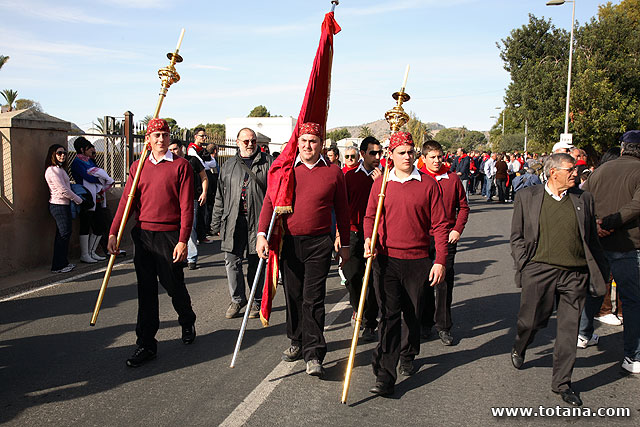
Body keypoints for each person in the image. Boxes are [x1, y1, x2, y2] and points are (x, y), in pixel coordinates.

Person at [510, 153, 609, 406]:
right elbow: (517, 236)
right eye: (570, 170)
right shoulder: (527, 197)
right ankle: (520, 345)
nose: (576, 173)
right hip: (539, 271)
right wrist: (524, 265)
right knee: (531, 321)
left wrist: (601, 270)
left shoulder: (584, 198)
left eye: (575, 169)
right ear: (553, 172)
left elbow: (591, 239)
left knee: (568, 330)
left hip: (575, 275)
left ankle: (562, 383)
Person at [257, 122, 350, 378]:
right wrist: (262, 234)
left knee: (314, 298)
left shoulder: (333, 172)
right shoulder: (286, 170)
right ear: (297, 143)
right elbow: (270, 202)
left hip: (319, 243)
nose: (308, 146)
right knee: (294, 295)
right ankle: (297, 340)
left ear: (321, 144)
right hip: (289, 243)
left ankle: (314, 353)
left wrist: (344, 245)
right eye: (304, 141)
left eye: (313, 141)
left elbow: (342, 210)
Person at [363, 132, 448, 396]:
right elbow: (370, 217)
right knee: (389, 316)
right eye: (401, 152)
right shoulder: (381, 185)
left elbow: (440, 225)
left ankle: (408, 352)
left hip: (418, 261)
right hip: (386, 260)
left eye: (411, 152)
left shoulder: (428, 185)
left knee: (412, 314)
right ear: (391, 155)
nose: (407, 157)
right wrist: (369, 239)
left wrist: (440, 260)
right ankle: (384, 374)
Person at [107, 118, 197, 367]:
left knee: (173, 285)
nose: (161, 139)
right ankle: (146, 344)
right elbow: (126, 203)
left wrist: (183, 240)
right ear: (147, 139)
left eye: (164, 135)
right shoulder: (138, 167)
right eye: (156, 135)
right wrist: (114, 232)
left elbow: (186, 206)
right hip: (144, 236)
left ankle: (187, 319)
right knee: (146, 291)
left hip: (170, 236)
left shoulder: (181, 166)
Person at [581, 130, 640, 374]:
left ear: (623, 148)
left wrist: (597, 223)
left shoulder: (601, 170)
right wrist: (609, 222)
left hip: (601, 241)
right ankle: (633, 355)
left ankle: (583, 334)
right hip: (629, 244)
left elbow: (583, 198)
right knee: (632, 300)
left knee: (596, 289)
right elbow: (636, 205)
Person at [212, 128, 273, 319]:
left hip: (258, 222)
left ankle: (256, 300)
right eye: (245, 141)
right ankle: (237, 299)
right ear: (237, 142)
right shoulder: (228, 165)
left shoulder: (269, 163)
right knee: (232, 261)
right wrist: (216, 222)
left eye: (253, 141)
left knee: (256, 262)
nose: (250, 144)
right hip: (233, 221)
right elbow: (220, 196)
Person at [417, 140, 469, 346]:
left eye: (439, 157)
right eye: (432, 157)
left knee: (444, 283)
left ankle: (444, 326)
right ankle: (425, 322)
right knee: (424, 282)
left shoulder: (452, 179)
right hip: (422, 239)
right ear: (423, 158)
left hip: (447, 237)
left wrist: (457, 229)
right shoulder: (418, 178)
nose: (437, 161)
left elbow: (463, 207)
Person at [343, 136, 382, 342]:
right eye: (373, 153)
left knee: (374, 280)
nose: (377, 157)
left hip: (377, 234)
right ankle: (358, 307)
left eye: (379, 153)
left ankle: (369, 322)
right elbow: (341, 207)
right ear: (363, 154)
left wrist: (381, 184)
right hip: (353, 233)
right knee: (352, 277)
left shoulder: (386, 177)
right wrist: (339, 234)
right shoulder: (350, 177)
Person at [168, 141, 208, 270]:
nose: (173, 152)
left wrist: (204, 192)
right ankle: (180, 255)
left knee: (189, 228)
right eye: (170, 150)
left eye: (175, 149)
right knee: (175, 228)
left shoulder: (193, 160)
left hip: (191, 199)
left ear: (181, 148)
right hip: (174, 201)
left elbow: (204, 177)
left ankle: (191, 257)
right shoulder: (168, 162)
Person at [44, 144, 83, 273]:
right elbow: (63, 190)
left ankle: (63, 262)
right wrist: (78, 200)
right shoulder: (52, 170)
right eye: (59, 153)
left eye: (64, 153)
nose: (62, 155)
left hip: (64, 205)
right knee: (63, 234)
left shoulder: (60, 169)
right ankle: (58, 265)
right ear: (53, 154)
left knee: (64, 234)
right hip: (58, 205)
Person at [71, 137, 107, 263]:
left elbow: (99, 175)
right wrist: (100, 177)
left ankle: (92, 251)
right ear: (82, 149)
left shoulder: (91, 161)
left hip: (97, 198)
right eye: (89, 148)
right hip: (86, 198)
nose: (93, 149)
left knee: (99, 226)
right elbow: (90, 177)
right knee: (85, 225)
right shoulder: (77, 162)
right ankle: (85, 254)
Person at [187, 127, 215, 244]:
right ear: (195, 137)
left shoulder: (203, 150)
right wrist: (204, 163)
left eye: (205, 136)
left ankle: (202, 235)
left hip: (204, 181)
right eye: (202, 136)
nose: (204, 138)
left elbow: (213, 163)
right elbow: (200, 164)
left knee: (203, 210)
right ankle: (196, 237)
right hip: (196, 182)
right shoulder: (191, 149)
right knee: (196, 212)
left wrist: (205, 163)